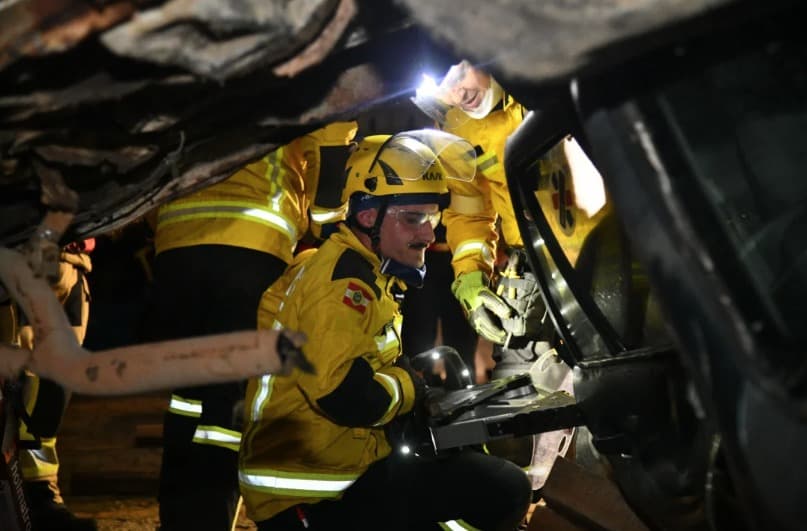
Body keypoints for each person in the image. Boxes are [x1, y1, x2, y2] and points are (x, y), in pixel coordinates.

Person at [238, 130, 532, 530]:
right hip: (317, 496)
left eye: (432, 217)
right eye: (413, 219)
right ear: (366, 216)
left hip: (331, 475)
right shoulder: (345, 284)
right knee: (503, 488)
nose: (429, 234)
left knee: (453, 472)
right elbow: (344, 396)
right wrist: (413, 384)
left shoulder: (359, 268)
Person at [142, 121, 358, 531]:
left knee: (187, 394)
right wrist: (326, 227)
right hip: (254, 242)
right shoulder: (295, 65)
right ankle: (206, 519)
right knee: (230, 402)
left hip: (176, 242)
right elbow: (330, 138)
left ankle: (177, 517)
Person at [413, 59, 547, 372]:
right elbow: (469, 211)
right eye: (444, 86)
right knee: (523, 371)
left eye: (459, 75)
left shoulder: (544, 77)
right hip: (531, 261)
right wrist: (470, 274)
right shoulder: (458, 128)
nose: (458, 93)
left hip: (603, 242)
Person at [1, 240, 97, 530]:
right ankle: (19, 498)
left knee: (50, 395)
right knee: (15, 390)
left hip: (68, 269)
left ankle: (40, 493)